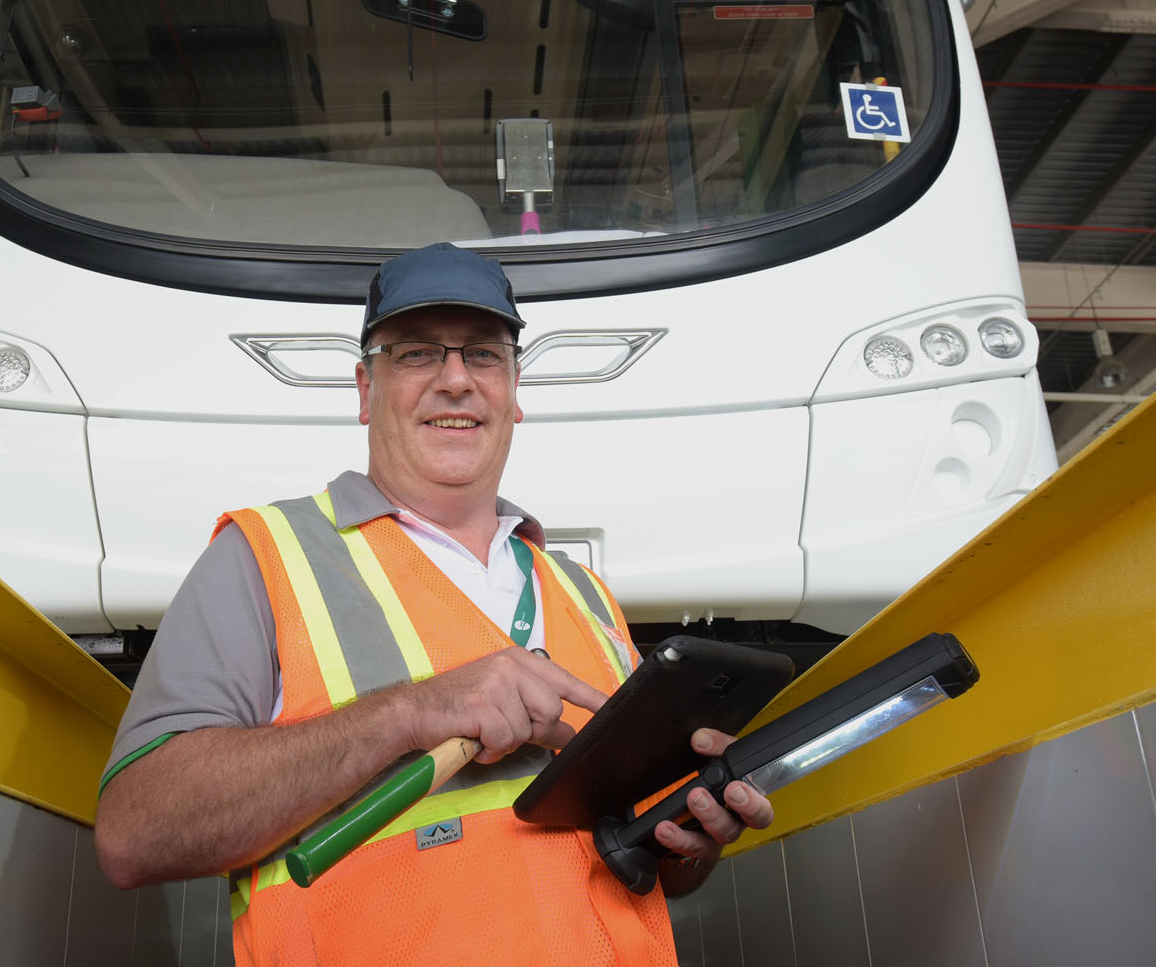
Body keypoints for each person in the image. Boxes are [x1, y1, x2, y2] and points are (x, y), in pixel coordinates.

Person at [94, 242, 773, 966]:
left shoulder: (582, 592)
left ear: (515, 391)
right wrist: (412, 712)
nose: (456, 380)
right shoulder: (267, 556)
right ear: (364, 389)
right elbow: (136, 832)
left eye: (483, 355)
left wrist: (693, 833)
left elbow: (656, 868)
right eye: (417, 354)